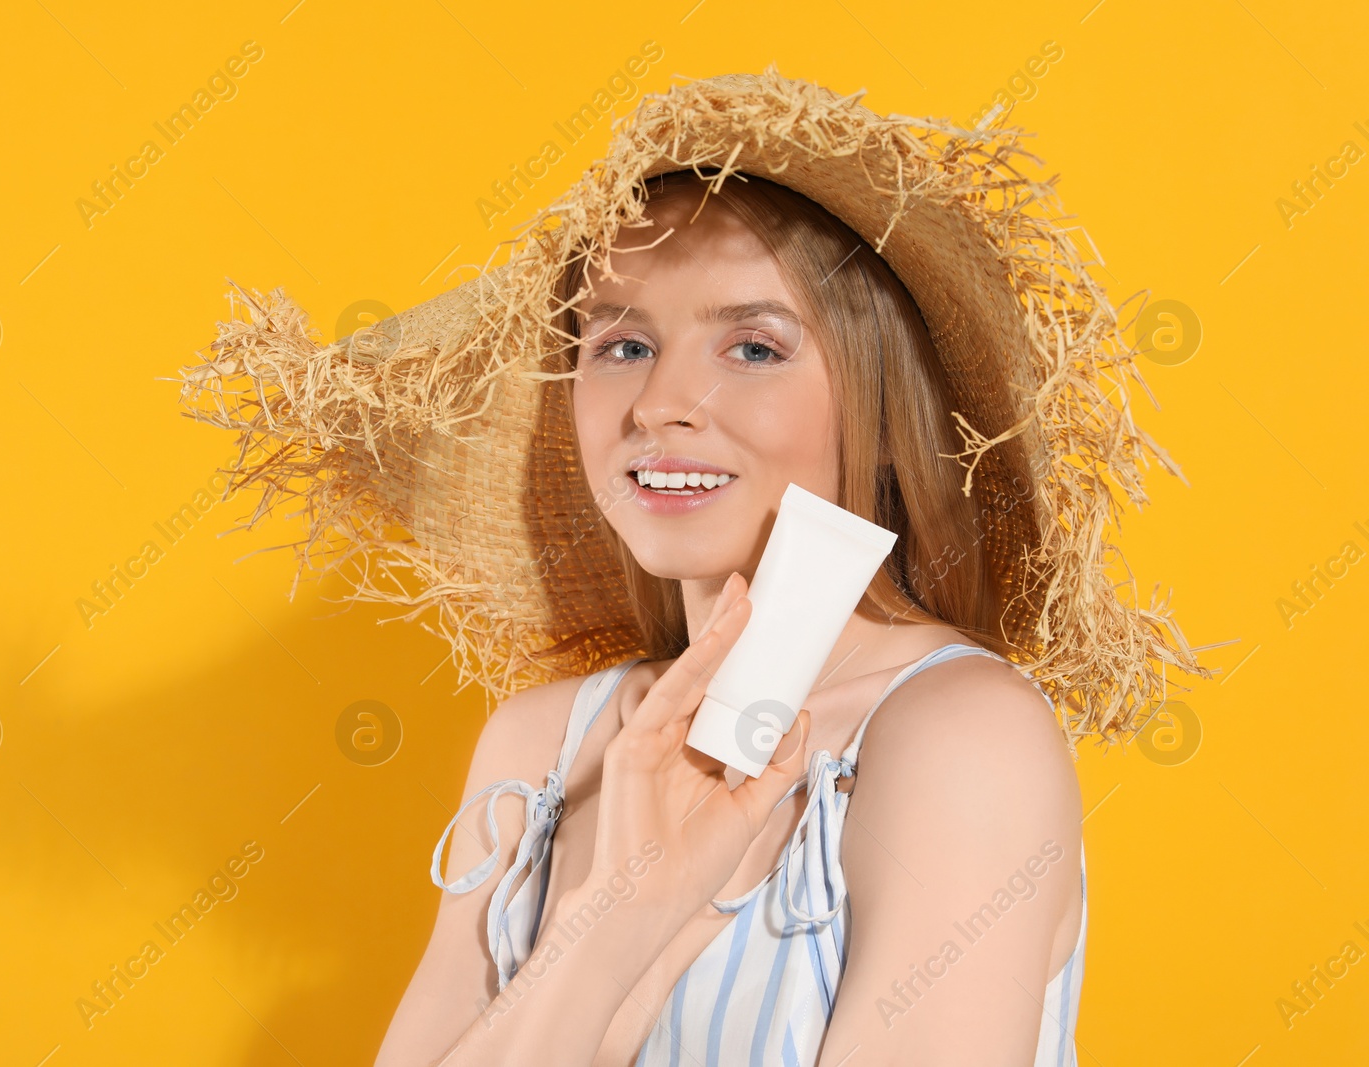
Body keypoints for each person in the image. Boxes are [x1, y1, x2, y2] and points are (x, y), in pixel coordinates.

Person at [176, 69, 1210, 1066]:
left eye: (753, 347)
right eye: (620, 345)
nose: (657, 403)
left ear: (882, 416)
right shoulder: (539, 748)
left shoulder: (957, 737)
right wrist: (611, 925)